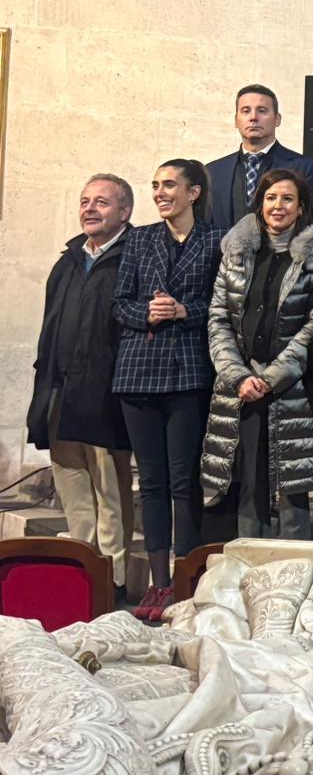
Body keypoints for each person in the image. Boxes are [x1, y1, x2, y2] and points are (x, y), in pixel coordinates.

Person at [201, 169, 313, 538]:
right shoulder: (237, 253)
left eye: (287, 199)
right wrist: (238, 375)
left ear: (301, 208)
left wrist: (270, 378)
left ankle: (294, 575)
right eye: (270, 198)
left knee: (295, 491)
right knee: (248, 482)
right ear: (259, 204)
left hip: (294, 387)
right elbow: (218, 317)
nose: (277, 206)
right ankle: (251, 572)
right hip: (240, 386)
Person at [112, 160, 225, 621]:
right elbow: (119, 304)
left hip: (188, 372)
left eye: (170, 185)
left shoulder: (216, 241)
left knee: (184, 480)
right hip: (138, 370)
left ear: (193, 192)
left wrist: (184, 311)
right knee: (152, 481)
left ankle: (185, 581)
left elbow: (223, 303)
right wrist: (147, 313)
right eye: (155, 185)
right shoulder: (139, 239)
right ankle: (158, 584)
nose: (160, 193)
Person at [27, 174, 137, 601]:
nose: (90, 209)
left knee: (109, 491)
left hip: (105, 392)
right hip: (60, 389)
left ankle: (114, 581)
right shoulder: (69, 260)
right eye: (85, 201)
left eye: (102, 203)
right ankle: (81, 568)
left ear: (124, 212)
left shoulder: (133, 256)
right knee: (72, 485)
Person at [205, 84, 313, 230]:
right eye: (246, 111)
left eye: (262, 111)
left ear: (277, 119)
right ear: (236, 120)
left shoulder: (304, 167)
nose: (253, 117)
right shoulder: (214, 171)